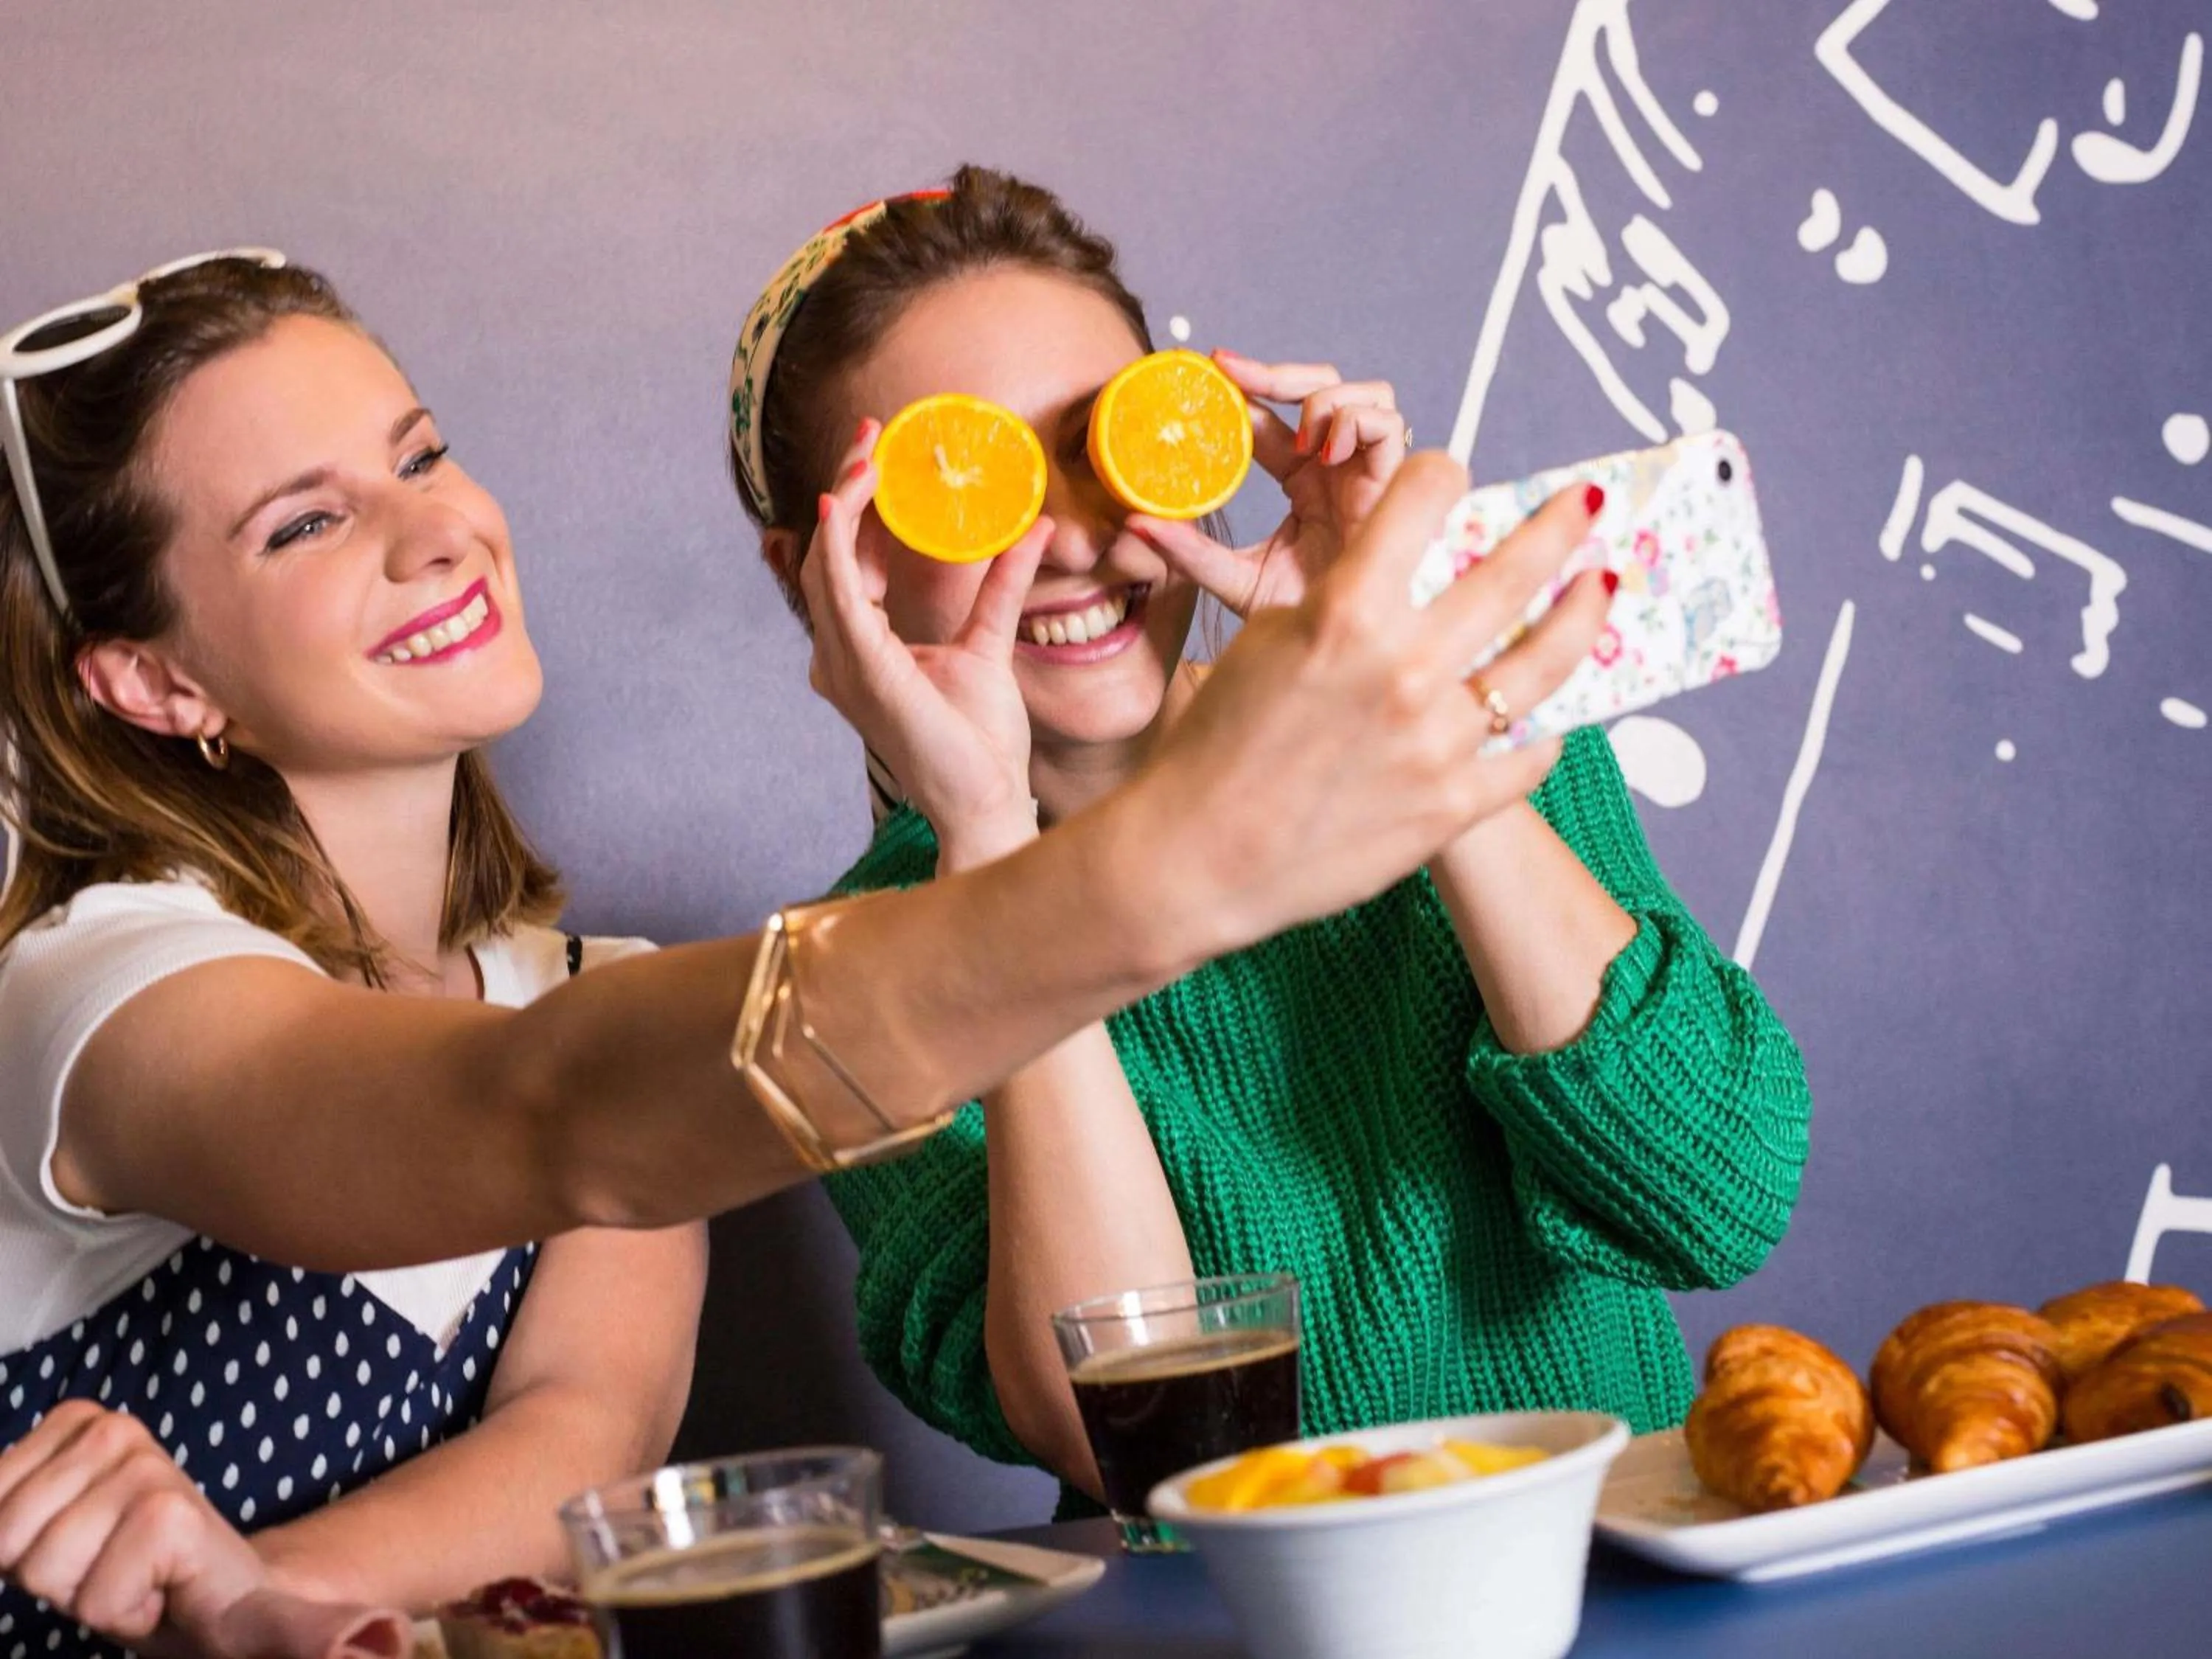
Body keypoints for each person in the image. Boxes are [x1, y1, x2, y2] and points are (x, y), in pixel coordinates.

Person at [0, 248, 1601, 1656]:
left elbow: (582, 1446)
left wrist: (261, 1594)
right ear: (154, 686)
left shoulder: (598, 990)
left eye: (423, 455)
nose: (437, 533)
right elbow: (535, 1117)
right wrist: (1166, 856)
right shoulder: (94, 987)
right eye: (306, 524)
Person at [731, 167, 1815, 1509]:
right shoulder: (842, 987)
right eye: (968, 483)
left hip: (1614, 1593)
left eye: (1095, 445)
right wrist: (990, 845)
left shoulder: (1477, 713)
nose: (1071, 539)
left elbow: (1714, 1193)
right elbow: (1153, 1438)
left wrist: (1396, 697)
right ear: (827, 572)